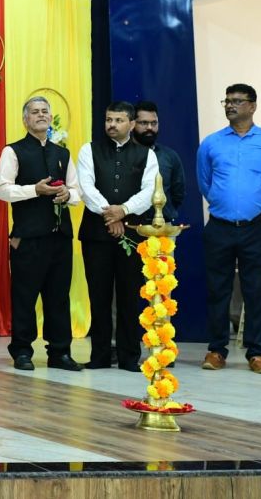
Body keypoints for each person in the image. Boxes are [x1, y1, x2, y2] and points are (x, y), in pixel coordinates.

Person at [198, 83, 261, 375]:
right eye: (227, 101)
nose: (230, 105)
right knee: (218, 290)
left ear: (252, 106)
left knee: (255, 290)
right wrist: (224, 203)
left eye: (237, 101)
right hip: (220, 227)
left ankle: (257, 353)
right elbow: (204, 182)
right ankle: (217, 350)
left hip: (257, 227)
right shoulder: (211, 143)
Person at [0, 96, 83, 371]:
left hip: (60, 237)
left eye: (45, 111)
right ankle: (22, 351)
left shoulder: (62, 153)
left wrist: (67, 194)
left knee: (59, 297)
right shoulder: (13, 151)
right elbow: (2, 190)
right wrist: (35, 189)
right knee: (25, 296)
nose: (41, 115)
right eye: (35, 112)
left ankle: (60, 352)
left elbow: (77, 191)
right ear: (25, 119)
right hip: (28, 238)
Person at [77, 101, 158, 371]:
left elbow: (149, 192)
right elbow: (86, 187)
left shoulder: (147, 155)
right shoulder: (89, 150)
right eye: (108, 119)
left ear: (132, 124)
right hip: (96, 235)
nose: (111, 125)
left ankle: (129, 356)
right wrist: (110, 215)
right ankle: (99, 356)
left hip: (132, 234)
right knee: (98, 295)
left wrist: (123, 211)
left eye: (118, 120)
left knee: (130, 297)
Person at [133, 101, 185, 222]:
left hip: (163, 226)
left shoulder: (170, 156)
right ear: (132, 124)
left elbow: (178, 194)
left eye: (154, 123)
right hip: (130, 226)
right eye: (144, 123)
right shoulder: (122, 155)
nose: (149, 128)